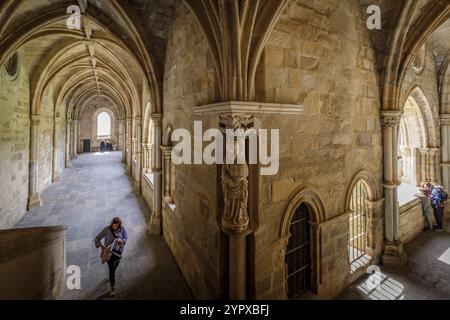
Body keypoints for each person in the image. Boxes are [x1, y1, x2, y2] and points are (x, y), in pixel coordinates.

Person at [94, 217, 128, 297]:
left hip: (118, 253)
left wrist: (122, 241)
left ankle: (111, 277)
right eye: (114, 225)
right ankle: (112, 288)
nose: (116, 227)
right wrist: (101, 246)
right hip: (109, 253)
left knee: (114, 268)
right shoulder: (107, 229)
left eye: (117, 226)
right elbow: (97, 238)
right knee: (112, 270)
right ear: (112, 224)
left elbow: (125, 236)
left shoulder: (122, 229)